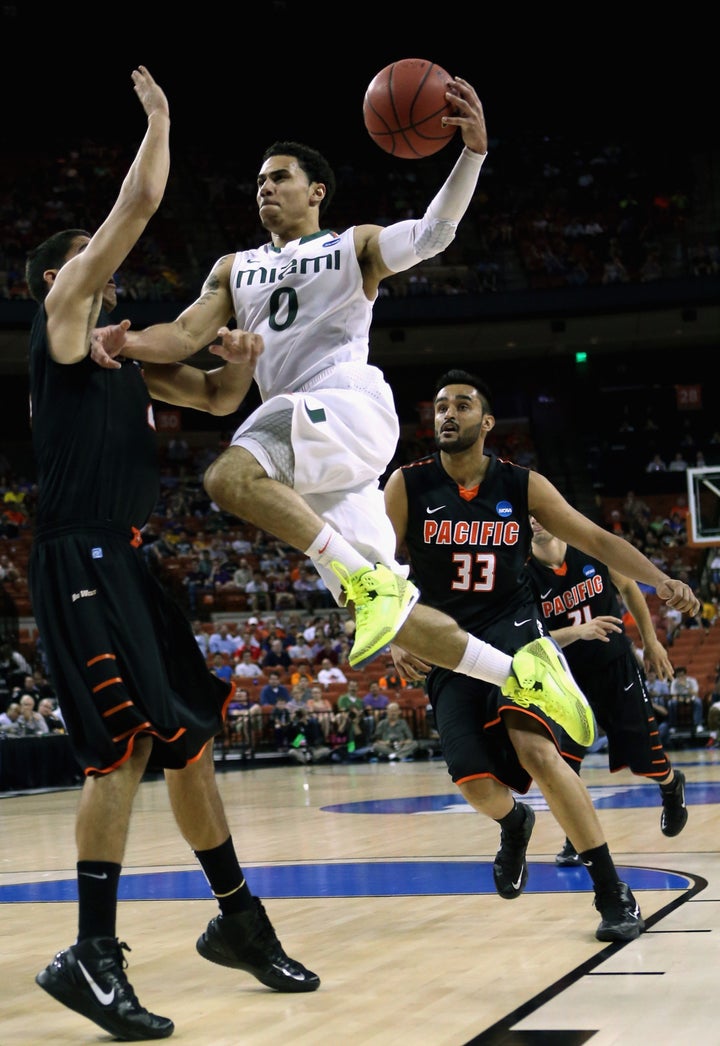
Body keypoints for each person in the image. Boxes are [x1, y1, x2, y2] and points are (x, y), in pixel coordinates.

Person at [89, 80, 595, 739]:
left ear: (316, 190)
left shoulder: (349, 245)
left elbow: (433, 234)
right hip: (313, 443)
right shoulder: (232, 268)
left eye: (279, 178)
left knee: (227, 478)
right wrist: (122, 342)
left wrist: (470, 154)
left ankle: (369, 583)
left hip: (343, 402)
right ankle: (525, 672)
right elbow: (184, 338)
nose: (264, 189)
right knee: (393, 620)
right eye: (259, 182)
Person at [25, 67, 318, 1042]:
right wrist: (157, 119)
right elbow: (140, 202)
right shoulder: (63, 321)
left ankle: (238, 919)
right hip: (78, 556)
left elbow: (215, 402)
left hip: (134, 558)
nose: (108, 265)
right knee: (122, 748)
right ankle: (91, 954)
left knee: (188, 739)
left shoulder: (121, 353)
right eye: (89, 256)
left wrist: (233, 367)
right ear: (60, 279)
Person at [384, 369, 699, 944]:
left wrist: (659, 580)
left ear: (486, 422)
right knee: (474, 782)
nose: (447, 414)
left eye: (461, 404)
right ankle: (514, 822)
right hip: (446, 643)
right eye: (439, 407)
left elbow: (598, 540)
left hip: (517, 637)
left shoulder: (522, 484)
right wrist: (395, 633)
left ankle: (611, 892)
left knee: (537, 751)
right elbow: (375, 569)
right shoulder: (408, 485)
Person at [527, 517, 688, 868]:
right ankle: (578, 838)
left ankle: (671, 785)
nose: (536, 521)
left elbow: (630, 589)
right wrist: (577, 631)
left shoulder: (590, 549)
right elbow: (530, 639)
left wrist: (651, 641)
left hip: (615, 666)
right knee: (564, 765)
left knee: (644, 757)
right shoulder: (522, 575)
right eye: (528, 517)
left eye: (540, 514)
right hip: (564, 677)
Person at [668, 666, 704, 733]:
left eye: (682, 675)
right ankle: (673, 726)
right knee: (671, 703)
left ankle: (698, 724)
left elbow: (695, 694)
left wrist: (686, 686)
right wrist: (682, 700)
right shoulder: (674, 682)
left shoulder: (692, 681)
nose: (680, 677)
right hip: (679, 698)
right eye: (678, 676)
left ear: (685, 675)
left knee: (698, 702)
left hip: (691, 697)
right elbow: (673, 696)